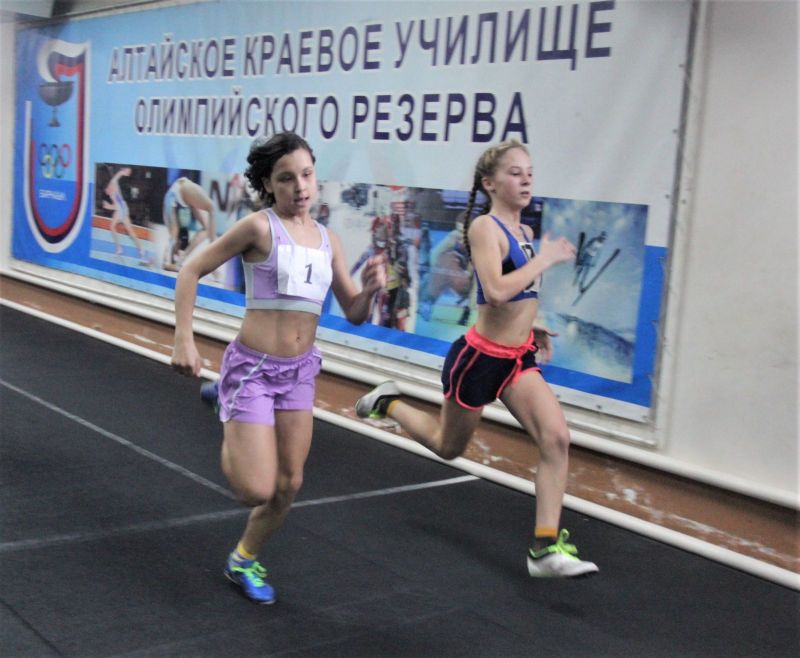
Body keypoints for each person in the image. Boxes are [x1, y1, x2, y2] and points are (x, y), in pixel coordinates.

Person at [356, 139, 598, 578]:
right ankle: (387, 403)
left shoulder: (526, 235)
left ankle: (544, 549)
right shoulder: (486, 228)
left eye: (529, 173)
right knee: (448, 447)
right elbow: (497, 290)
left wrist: (533, 325)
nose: (525, 180)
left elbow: (516, 297)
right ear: (489, 183)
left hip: (517, 359)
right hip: (480, 360)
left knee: (557, 438)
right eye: (514, 173)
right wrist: (545, 260)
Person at [171, 132, 386, 604]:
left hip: (299, 373)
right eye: (287, 178)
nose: (300, 186)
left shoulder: (329, 241)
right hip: (253, 369)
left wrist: (370, 291)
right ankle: (227, 402)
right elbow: (190, 271)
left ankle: (242, 559)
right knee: (255, 489)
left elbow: (353, 311)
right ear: (269, 184)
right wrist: (184, 338)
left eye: (306, 175)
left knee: (289, 484)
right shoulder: (258, 228)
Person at [161, 176, 217, 272]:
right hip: (181, 194)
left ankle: (214, 252)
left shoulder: (172, 229)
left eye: (176, 252)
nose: (176, 252)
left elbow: (174, 234)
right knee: (207, 227)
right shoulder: (173, 225)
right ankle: (182, 259)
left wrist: (167, 262)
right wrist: (175, 261)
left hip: (179, 191)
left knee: (211, 209)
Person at [103, 166, 150, 264]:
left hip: (121, 209)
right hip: (122, 208)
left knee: (119, 229)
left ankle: (123, 248)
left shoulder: (113, 186)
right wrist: (109, 206)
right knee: (123, 230)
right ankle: (138, 250)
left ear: (107, 187)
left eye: (106, 190)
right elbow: (116, 206)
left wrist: (123, 172)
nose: (106, 192)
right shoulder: (112, 190)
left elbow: (116, 206)